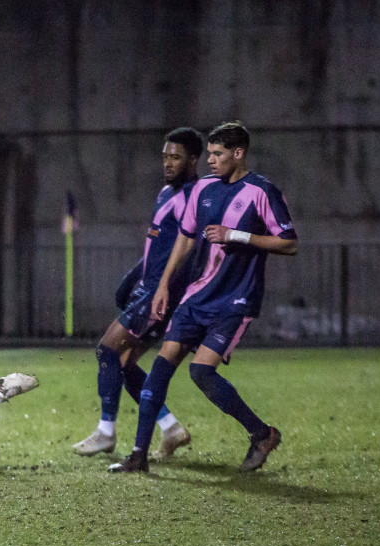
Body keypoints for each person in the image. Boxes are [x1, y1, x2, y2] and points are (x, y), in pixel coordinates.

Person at [110, 122, 298, 473]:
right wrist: (164, 285)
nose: (210, 160)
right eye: (208, 153)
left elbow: (289, 242)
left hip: (236, 300)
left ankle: (261, 434)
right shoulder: (203, 189)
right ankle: (138, 455)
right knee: (160, 369)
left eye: (217, 154)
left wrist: (238, 235)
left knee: (201, 372)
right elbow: (184, 238)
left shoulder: (262, 191)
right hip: (197, 297)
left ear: (238, 153)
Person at [72, 128, 204, 460]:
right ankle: (171, 428)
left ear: (193, 159)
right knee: (125, 362)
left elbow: (185, 252)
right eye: (165, 157)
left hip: (159, 295)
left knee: (107, 352)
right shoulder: (165, 192)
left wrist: (165, 291)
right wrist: (132, 276)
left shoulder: (193, 197)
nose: (168, 163)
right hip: (148, 289)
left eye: (176, 157)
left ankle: (105, 432)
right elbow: (157, 247)